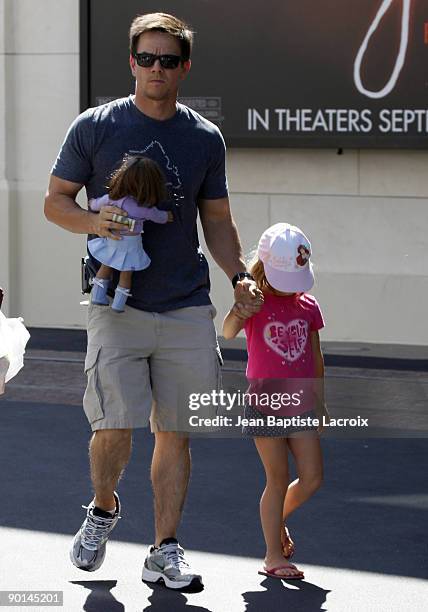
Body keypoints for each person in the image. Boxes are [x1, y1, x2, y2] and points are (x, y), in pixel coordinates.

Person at [44, 12, 261, 591]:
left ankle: (164, 549)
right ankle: (103, 507)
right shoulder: (95, 126)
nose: (156, 68)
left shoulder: (203, 138)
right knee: (115, 426)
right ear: (132, 63)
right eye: (147, 58)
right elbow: (55, 203)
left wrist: (238, 274)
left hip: (186, 303)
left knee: (176, 431)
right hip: (117, 303)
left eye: (168, 59)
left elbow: (217, 220)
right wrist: (96, 219)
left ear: (184, 67)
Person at [223, 223, 328, 580]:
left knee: (313, 477)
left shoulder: (308, 305)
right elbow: (226, 331)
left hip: (301, 404)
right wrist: (239, 308)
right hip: (265, 404)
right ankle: (272, 555)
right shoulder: (256, 303)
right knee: (278, 476)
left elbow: (315, 357)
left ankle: (277, 518)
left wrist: (321, 402)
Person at [88, 154, 173, 312]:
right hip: (131, 245)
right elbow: (159, 217)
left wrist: (91, 203)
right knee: (126, 275)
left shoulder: (112, 199)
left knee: (105, 267)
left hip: (113, 240)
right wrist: (167, 216)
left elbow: (96, 205)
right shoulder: (143, 208)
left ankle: (98, 296)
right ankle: (119, 304)